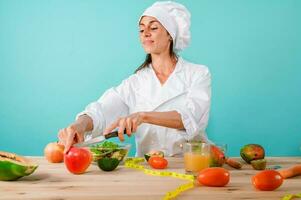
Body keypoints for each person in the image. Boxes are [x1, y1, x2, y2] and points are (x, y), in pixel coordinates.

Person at [58, 1, 211, 157]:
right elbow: (102, 110)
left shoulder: (198, 74)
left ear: (170, 35)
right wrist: (80, 125)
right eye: (141, 29)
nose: (145, 33)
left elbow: (191, 118)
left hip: (189, 163)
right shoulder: (135, 83)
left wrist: (143, 116)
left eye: (153, 28)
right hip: (148, 168)